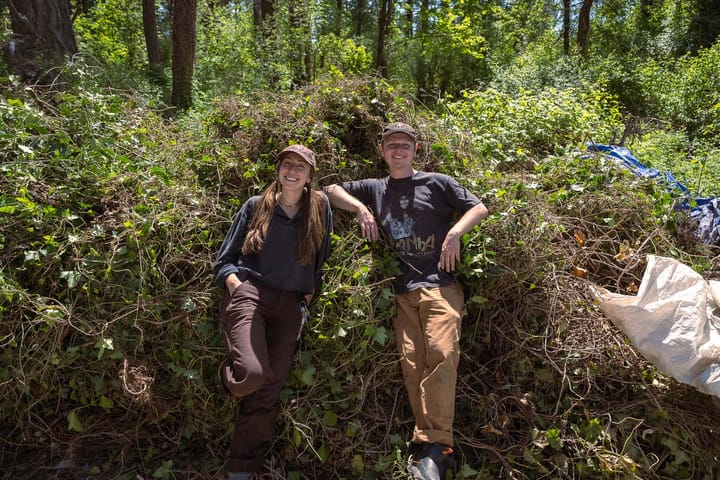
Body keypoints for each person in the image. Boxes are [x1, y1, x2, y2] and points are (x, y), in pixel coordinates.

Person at [323, 122, 488, 480]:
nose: (399, 150)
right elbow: (330, 189)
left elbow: (479, 208)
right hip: (402, 290)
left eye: (405, 145)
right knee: (413, 363)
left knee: (442, 354)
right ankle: (428, 447)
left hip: (440, 285)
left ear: (416, 150)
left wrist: (455, 232)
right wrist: (361, 210)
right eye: (392, 145)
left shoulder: (437, 182)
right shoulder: (375, 188)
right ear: (382, 151)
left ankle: (437, 446)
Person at [213, 144, 333, 480]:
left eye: (301, 167)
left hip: (291, 306)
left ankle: (242, 469)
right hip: (252, 295)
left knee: (268, 393)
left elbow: (319, 263)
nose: (292, 172)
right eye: (287, 165)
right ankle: (227, 377)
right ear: (278, 169)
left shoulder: (319, 211)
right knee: (252, 376)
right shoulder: (255, 207)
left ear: (310, 176)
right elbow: (224, 260)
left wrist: (306, 300)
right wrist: (238, 287)